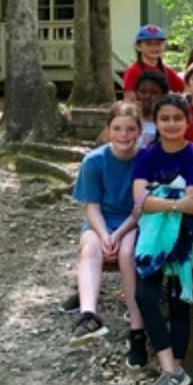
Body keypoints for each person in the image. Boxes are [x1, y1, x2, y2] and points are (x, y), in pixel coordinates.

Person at [131, 94, 193, 385]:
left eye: (177, 118)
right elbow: (140, 200)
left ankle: (172, 370)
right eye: (165, 119)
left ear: (187, 121)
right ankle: (170, 370)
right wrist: (174, 202)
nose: (171, 124)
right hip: (150, 240)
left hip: (185, 240)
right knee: (144, 295)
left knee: (178, 302)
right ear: (156, 122)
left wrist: (160, 198)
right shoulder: (147, 156)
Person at [70, 103, 146, 364]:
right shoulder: (94, 161)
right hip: (101, 222)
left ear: (139, 131)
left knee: (127, 253)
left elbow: (141, 208)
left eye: (130, 129)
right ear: (108, 130)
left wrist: (119, 233)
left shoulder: (144, 159)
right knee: (90, 248)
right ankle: (89, 315)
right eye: (117, 129)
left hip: (134, 222)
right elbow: (91, 207)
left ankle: (137, 330)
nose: (123, 135)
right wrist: (104, 234)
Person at [123, 25, 185, 102]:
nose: (154, 47)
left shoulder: (167, 71)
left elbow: (185, 89)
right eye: (149, 44)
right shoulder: (133, 71)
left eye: (158, 43)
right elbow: (129, 100)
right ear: (138, 46)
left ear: (164, 46)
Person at [133, 71, 169, 148]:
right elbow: (103, 141)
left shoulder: (168, 118)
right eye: (143, 92)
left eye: (154, 93)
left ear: (164, 95)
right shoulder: (127, 115)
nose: (147, 96)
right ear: (136, 93)